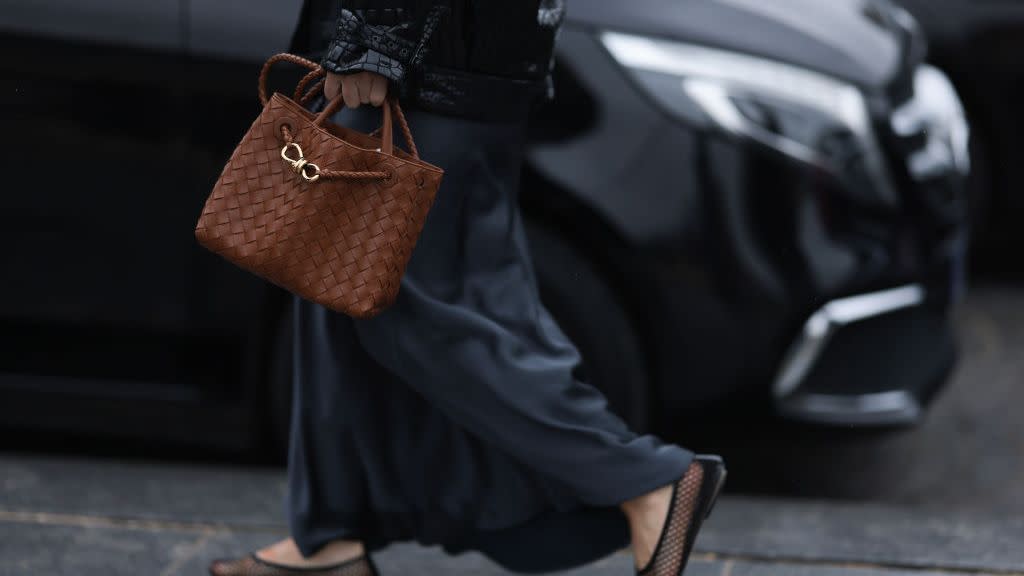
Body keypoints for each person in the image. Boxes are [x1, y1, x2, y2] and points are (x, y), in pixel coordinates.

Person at [209, 2, 725, 575]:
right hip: (463, 51)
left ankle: (644, 478)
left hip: (427, 59)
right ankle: (328, 538)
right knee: (337, 277)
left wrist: (376, 42)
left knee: (414, 309)